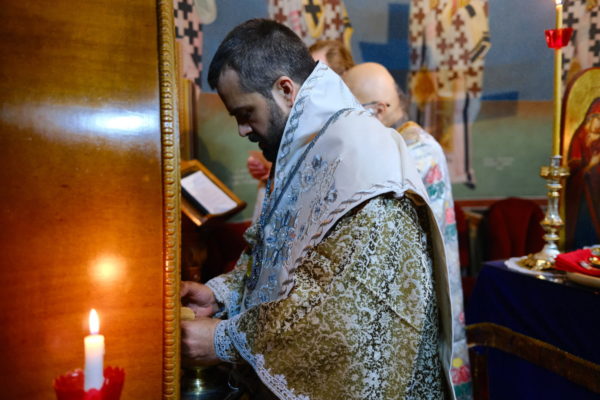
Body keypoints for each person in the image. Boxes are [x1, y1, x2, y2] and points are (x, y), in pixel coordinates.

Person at [181, 19, 455, 400]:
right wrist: (220, 296)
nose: (242, 130)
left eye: (245, 113)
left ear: (285, 90)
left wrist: (224, 340)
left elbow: (341, 320)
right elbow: (277, 253)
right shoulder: (307, 146)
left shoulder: (362, 160)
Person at [343, 62, 472, 399]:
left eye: (350, 111)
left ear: (379, 109)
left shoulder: (417, 150)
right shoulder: (394, 142)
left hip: (420, 303)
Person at [246, 39, 354, 222]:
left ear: (339, 82)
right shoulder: (297, 121)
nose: (305, 85)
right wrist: (270, 172)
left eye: (315, 76)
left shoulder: (349, 131)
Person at [565, 98, 600, 249]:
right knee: (585, 225)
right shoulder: (580, 136)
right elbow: (574, 167)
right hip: (584, 193)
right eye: (598, 118)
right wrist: (592, 164)